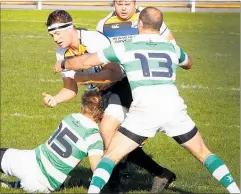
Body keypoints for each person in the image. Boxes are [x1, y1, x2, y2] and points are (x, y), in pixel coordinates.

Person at [55, 7, 240, 194]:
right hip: (174, 110)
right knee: (205, 154)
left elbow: (86, 62)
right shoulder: (172, 48)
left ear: (139, 24)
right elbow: (188, 63)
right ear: (160, 27)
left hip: (144, 112)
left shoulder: (125, 47)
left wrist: (64, 63)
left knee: (109, 157)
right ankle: (234, 190)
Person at [44, 9, 176, 193]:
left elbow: (114, 74)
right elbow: (70, 88)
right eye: (51, 35)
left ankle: (113, 187)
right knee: (112, 139)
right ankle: (160, 173)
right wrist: (55, 99)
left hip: (124, 84)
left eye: (58, 33)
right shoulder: (62, 53)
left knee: (106, 130)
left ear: (70, 27)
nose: (55, 38)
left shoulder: (92, 40)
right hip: (103, 91)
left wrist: (85, 79)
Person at [0, 90, 105, 193]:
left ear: (82, 106)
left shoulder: (71, 117)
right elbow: (97, 169)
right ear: (101, 113)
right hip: (43, 183)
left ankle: (14, 184)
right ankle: (15, 185)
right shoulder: (94, 137)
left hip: (29, 161)